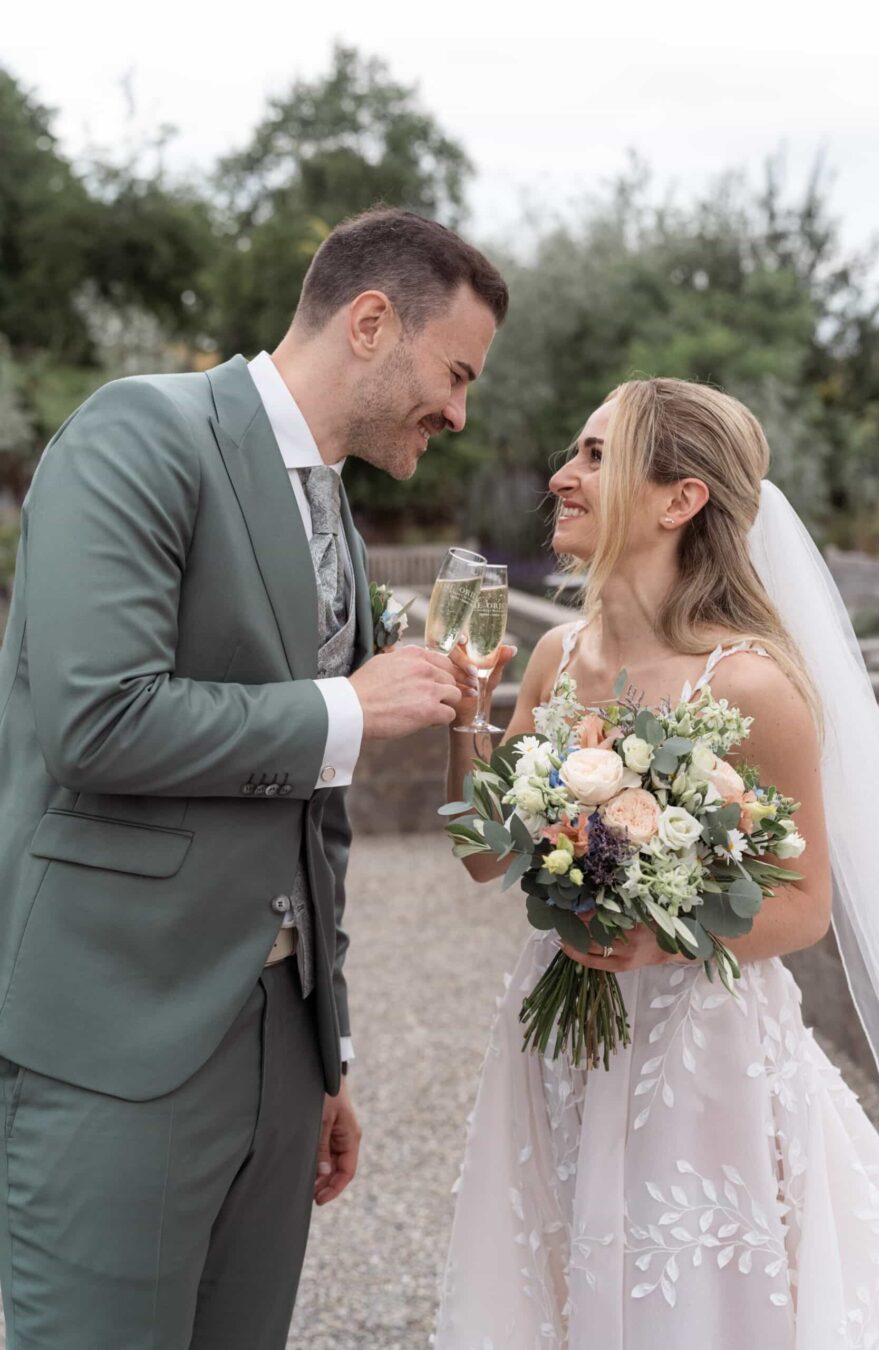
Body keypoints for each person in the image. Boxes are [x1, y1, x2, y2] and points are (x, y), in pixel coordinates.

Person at [0, 206, 507, 1350]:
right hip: (117, 1036)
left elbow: (310, 817)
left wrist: (328, 1052)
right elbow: (97, 719)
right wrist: (350, 705)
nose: (461, 413)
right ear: (372, 322)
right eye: (456, 373)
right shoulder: (139, 432)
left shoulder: (335, 509)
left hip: (280, 1048)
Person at [436, 378, 879, 1348]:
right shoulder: (555, 659)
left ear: (680, 499)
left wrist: (659, 937)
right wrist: (467, 713)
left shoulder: (750, 684)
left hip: (701, 1052)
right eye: (575, 453)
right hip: (561, 1036)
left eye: (598, 456)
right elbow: (485, 857)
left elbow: (805, 907)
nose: (563, 478)